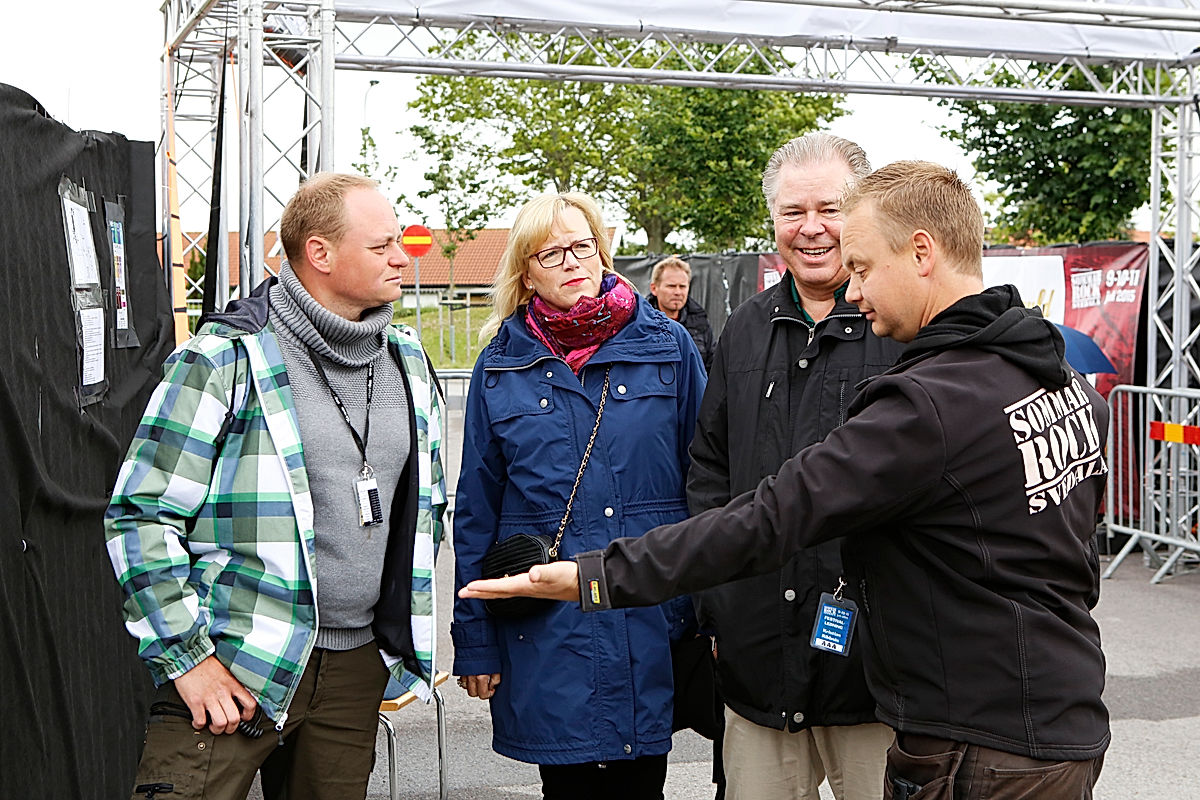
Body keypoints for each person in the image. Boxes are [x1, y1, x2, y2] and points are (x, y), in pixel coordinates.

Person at [461, 161, 1110, 800]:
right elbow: (1073, 558)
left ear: (920, 252)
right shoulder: (1058, 382)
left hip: (968, 732)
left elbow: (777, 513)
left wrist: (596, 576)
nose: (855, 290)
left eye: (861, 264)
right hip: (1042, 716)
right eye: (793, 213)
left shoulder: (931, 394)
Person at [104, 172, 447, 800]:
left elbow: (427, 515)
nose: (402, 258)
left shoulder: (410, 362)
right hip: (232, 664)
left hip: (353, 670)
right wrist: (189, 659)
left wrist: (393, 651)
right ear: (318, 253)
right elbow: (140, 516)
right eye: (382, 246)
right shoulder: (225, 359)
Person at [451, 192, 707, 800]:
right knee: (566, 785)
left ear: (602, 250)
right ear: (526, 270)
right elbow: (476, 508)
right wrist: (476, 638)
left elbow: (708, 483)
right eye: (552, 252)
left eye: (582, 244)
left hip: (649, 611)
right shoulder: (501, 366)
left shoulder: (667, 346)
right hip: (548, 622)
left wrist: (713, 613)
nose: (572, 261)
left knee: (643, 779)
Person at [688, 133, 902, 800]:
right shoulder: (743, 330)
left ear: (864, 209)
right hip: (760, 666)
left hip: (878, 674)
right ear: (772, 221)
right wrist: (718, 604)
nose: (811, 229)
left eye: (831, 209)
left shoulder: (901, 326)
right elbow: (710, 473)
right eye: (792, 212)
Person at [648, 255, 716, 371]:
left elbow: (712, 365)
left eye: (682, 286)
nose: (678, 292)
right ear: (654, 288)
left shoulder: (700, 321)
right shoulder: (641, 322)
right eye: (671, 286)